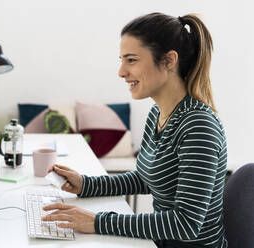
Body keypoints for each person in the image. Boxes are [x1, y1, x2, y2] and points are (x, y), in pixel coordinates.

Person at [42, 12, 228, 248]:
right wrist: (86, 184)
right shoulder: (158, 113)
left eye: (131, 60)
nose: (121, 71)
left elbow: (186, 224)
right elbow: (147, 178)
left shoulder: (199, 125)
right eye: (122, 60)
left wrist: (98, 222)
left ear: (169, 61)